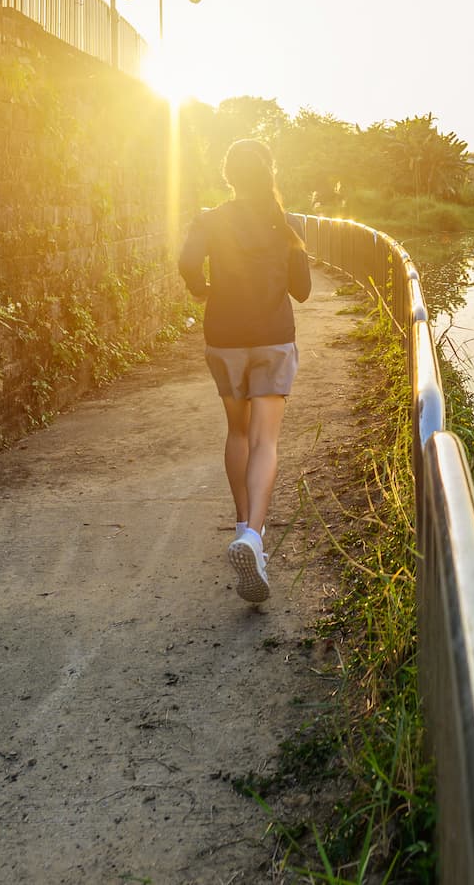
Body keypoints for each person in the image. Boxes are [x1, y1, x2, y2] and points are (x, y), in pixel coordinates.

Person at [179, 139, 312, 604]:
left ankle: (242, 529)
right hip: (273, 337)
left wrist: (204, 289)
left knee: (237, 433)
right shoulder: (286, 224)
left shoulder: (209, 219)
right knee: (265, 441)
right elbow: (303, 291)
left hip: (225, 336)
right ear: (269, 173)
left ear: (229, 176)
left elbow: (186, 262)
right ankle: (254, 538)